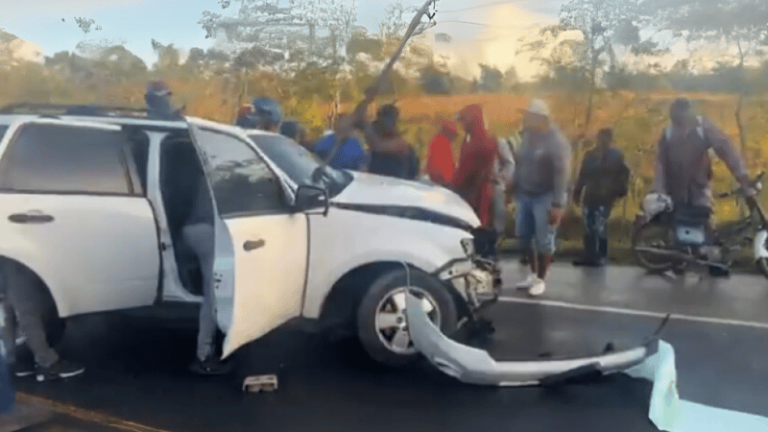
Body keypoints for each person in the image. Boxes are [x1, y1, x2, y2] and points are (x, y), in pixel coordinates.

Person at [652, 97, 753, 276]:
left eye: (681, 113)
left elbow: (725, 148)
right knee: (678, 223)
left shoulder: (702, 128)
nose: (678, 117)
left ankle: (712, 262)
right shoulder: (668, 133)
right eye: (675, 114)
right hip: (675, 187)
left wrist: (741, 175)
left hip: (699, 186)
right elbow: (660, 162)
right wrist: (659, 189)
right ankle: (679, 260)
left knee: (704, 221)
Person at [512, 99, 572, 297]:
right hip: (525, 194)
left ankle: (541, 278)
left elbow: (561, 175)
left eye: (530, 116)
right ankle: (531, 273)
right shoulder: (528, 137)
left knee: (544, 239)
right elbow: (520, 163)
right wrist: (513, 186)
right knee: (524, 236)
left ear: (542, 118)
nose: (526, 119)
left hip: (545, 197)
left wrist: (557, 204)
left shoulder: (556, 141)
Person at [1, 262, 85, 381]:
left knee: (10, 311)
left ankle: (14, 362)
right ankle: (47, 363)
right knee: (28, 310)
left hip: (6, 257)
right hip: (13, 258)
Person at [183, 176, 232, 375]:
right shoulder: (227, 171)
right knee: (213, 294)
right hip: (206, 231)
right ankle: (204, 357)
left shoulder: (212, 169)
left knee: (214, 290)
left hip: (193, 229)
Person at [572, 128, 630, 267]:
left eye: (606, 138)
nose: (603, 141)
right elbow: (582, 175)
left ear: (610, 140)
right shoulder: (590, 155)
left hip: (605, 195)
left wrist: (618, 190)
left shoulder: (616, 156)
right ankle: (589, 255)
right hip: (591, 194)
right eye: (601, 137)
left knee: (600, 225)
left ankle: (601, 255)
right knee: (588, 225)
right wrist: (577, 192)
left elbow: (623, 174)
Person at [452, 105, 499, 258]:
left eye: (464, 121)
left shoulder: (484, 142)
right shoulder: (468, 139)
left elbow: (482, 172)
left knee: (479, 226)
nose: (461, 124)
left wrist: (472, 192)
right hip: (466, 190)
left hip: (478, 193)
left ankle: (487, 258)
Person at [424, 120, 458, 185]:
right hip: (443, 181)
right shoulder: (443, 143)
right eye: (453, 134)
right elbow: (445, 169)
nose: (454, 138)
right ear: (449, 132)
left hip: (436, 178)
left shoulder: (436, 139)